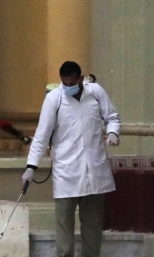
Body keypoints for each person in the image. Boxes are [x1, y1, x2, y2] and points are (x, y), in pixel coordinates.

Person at [23, 61, 121, 257]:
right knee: (64, 227)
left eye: (72, 83)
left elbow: (112, 117)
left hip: (94, 170)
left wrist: (113, 133)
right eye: (65, 84)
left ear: (80, 79)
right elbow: (42, 135)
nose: (68, 87)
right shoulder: (54, 100)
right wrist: (30, 167)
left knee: (93, 226)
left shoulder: (95, 92)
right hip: (66, 173)